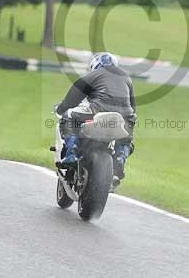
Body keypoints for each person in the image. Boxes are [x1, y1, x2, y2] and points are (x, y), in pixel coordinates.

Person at [56, 52, 136, 187]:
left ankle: (71, 153)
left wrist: (61, 109)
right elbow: (133, 106)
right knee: (127, 138)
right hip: (125, 115)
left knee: (68, 116)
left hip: (98, 110)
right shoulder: (126, 78)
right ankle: (120, 158)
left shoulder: (94, 74)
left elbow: (72, 98)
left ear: (95, 64)